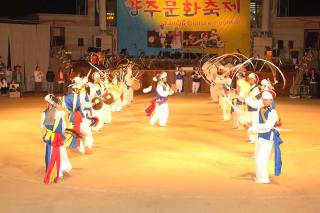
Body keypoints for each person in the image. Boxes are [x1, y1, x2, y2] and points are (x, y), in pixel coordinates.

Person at [246, 90, 283, 184]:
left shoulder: (272, 113)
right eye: (264, 99)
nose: (265, 101)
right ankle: (259, 177)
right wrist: (251, 124)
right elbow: (258, 121)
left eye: (267, 100)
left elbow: (267, 126)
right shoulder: (261, 108)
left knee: (261, 158)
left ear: (271, 101)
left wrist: (253, 127)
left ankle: (264, 179)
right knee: (258, 156)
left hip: (268, 137)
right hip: (261, 135)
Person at [40, 94, 72, 184]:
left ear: (49, 104)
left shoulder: (45, 113)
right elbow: (63, 127)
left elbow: (42, 126)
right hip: (58, 138)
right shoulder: (60, 114)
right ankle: (60, 170)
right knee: (61, 153)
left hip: (49, 137)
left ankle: (52, 170)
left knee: (49, 153)